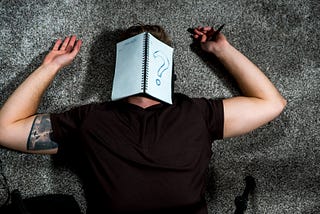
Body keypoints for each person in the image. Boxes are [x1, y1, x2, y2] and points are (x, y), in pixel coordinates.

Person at [0, 25, 286, 214]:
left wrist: (50, 68)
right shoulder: (90, 121)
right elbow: (271, 102)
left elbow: (6, 128)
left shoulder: (197, 113)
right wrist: (222, 50)